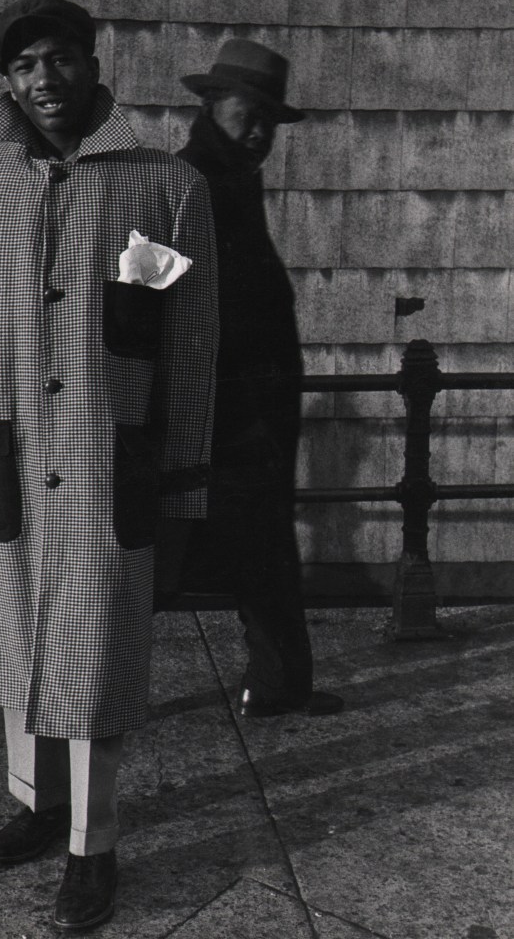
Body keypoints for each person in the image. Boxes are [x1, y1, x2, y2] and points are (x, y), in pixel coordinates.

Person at [0, 0, 218, 932]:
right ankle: (35, 804)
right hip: (0, 442)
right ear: (7, 80)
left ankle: (94, 843)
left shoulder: (164, 185)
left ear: (92, 62)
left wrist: (180, 463)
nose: (44, 79)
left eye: (59, 58)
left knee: (92, 660)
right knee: (14, 640)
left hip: (101, 452)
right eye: (24, 66)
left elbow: (187, 334)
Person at [172, 39, 343, 719]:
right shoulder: (185, 183)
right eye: (253, 112)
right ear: (214, 105)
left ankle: (280, 687)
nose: (263, 131)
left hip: (255, 416)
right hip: (216, 415)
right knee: (164, 562)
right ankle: (85, 692)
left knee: (266, 553)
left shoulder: (235, 179)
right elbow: (141, 294)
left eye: (273, 119)